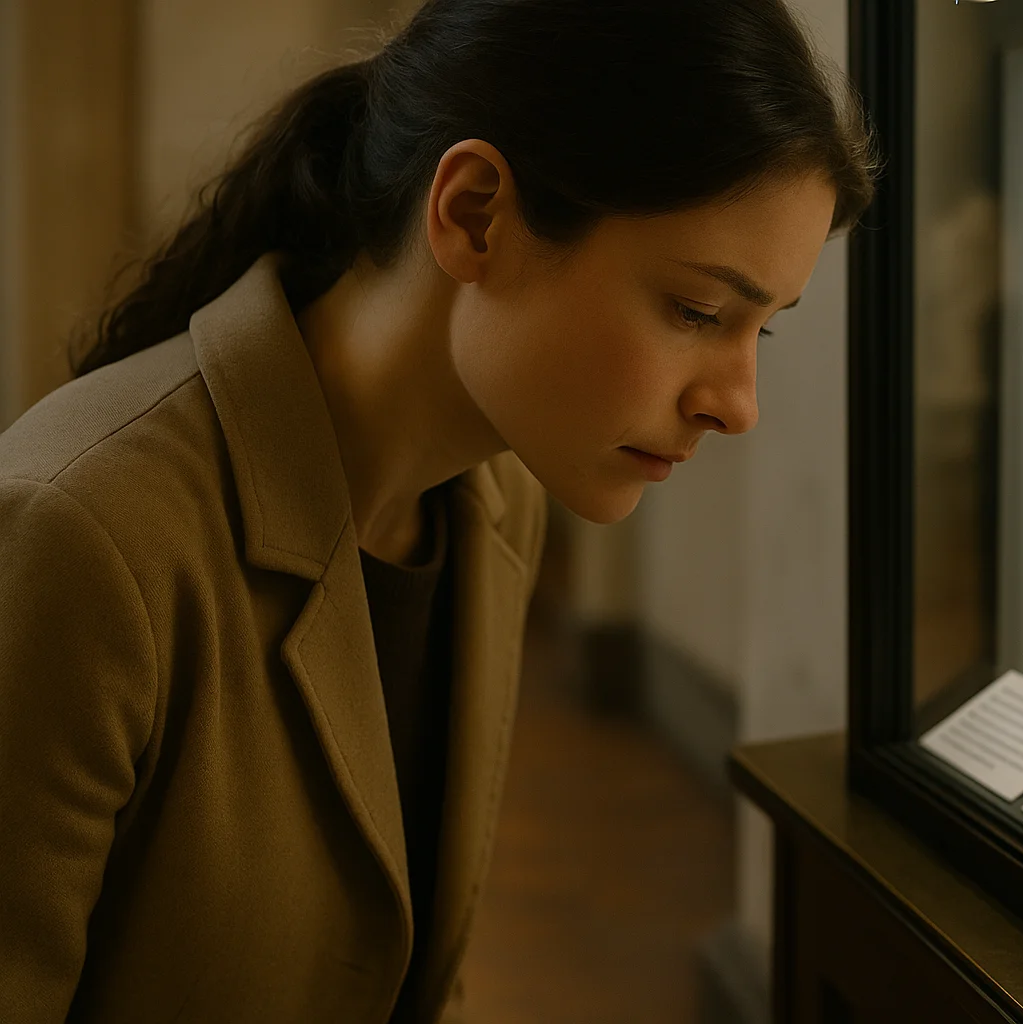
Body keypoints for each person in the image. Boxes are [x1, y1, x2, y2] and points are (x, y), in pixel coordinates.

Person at [0, 1, 876, 1020]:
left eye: (759, 331)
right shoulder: (81, 536)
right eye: (697, 311)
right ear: (473, 212)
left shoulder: (493, 502)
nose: (737, 405)